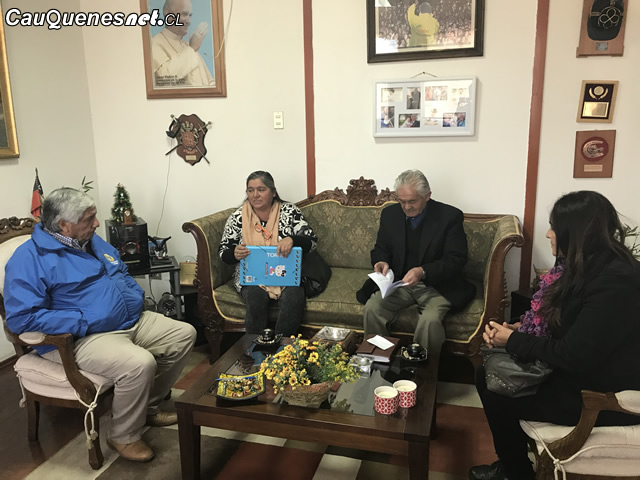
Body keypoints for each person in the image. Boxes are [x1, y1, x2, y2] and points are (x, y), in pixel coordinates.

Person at [3, 188, 196, 463]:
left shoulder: (90, 240)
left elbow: (120, 270)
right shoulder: (28, 259)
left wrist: (134, 295)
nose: (96, 223)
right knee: (139, 364)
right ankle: (123, 435)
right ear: (63, 225)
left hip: (128, 320)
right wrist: (82, 321)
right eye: (88, 218)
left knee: (183, 334)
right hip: (83, 336)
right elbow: (22, 318)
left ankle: (147, 408)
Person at [470, 191, 640, 480]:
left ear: (576, 232)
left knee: (498, 396)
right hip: (582, 373)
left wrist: (512, 341)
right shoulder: (590, 264)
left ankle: (516, 473)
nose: (548, 234)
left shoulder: (616, 281)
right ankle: (511, 464)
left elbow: (575, 355)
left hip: (599, 393)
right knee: (484, 373)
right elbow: (571, 326)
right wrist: (519, 328)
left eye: (554, 227)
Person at [358, 170, 475, 356]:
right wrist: (381, 261)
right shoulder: (390, 214)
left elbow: (456, 259)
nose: (406, 207)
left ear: (427, 196)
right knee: (373, 308)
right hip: (399, 284)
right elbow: (380, 248)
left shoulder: (449, 217)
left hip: (437, 286)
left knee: (429, 321)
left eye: (412, 201)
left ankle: (421, 370)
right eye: (401, 201)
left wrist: (423, 271)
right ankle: (379, 361)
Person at [219, 171, 318, 335]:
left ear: (273, 192)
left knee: (294, 297)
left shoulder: (289, 211)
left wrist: (292, 239)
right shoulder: (238, 217)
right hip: (251, 276)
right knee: (256, 298)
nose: (255, 195)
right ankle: (255, 346)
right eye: (250, 190)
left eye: (261, 189)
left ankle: (282, 347)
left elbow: (312, 243)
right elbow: (223, 252)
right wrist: (234, 253)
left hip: (287, 274)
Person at [151, 0, 214, 87]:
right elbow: (163, 80)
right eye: (184, 14)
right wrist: (192, 49)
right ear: (167, 13)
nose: (189, 21)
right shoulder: (155, 43)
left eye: (190, 15)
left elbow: (210, 82)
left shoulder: (187, 45)